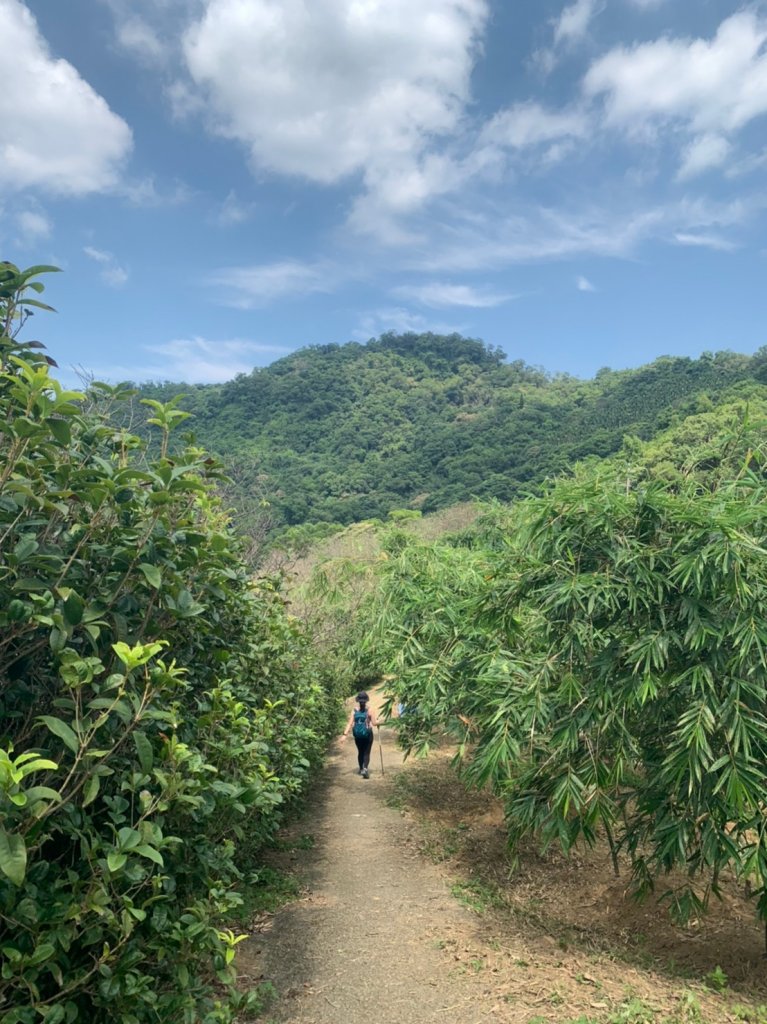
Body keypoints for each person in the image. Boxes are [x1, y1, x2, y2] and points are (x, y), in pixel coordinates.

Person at [341, 691, 379, 778]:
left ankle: (361, 768)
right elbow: (374, 723)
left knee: (360, 752)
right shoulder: (370, 710)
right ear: (366, 700)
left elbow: (349, 723)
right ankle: (365, 768)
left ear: (358, 700)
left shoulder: (354, 711)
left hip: (357, 735)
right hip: (367, 734)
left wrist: (344, 735)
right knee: (367, 752)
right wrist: (378, 721)